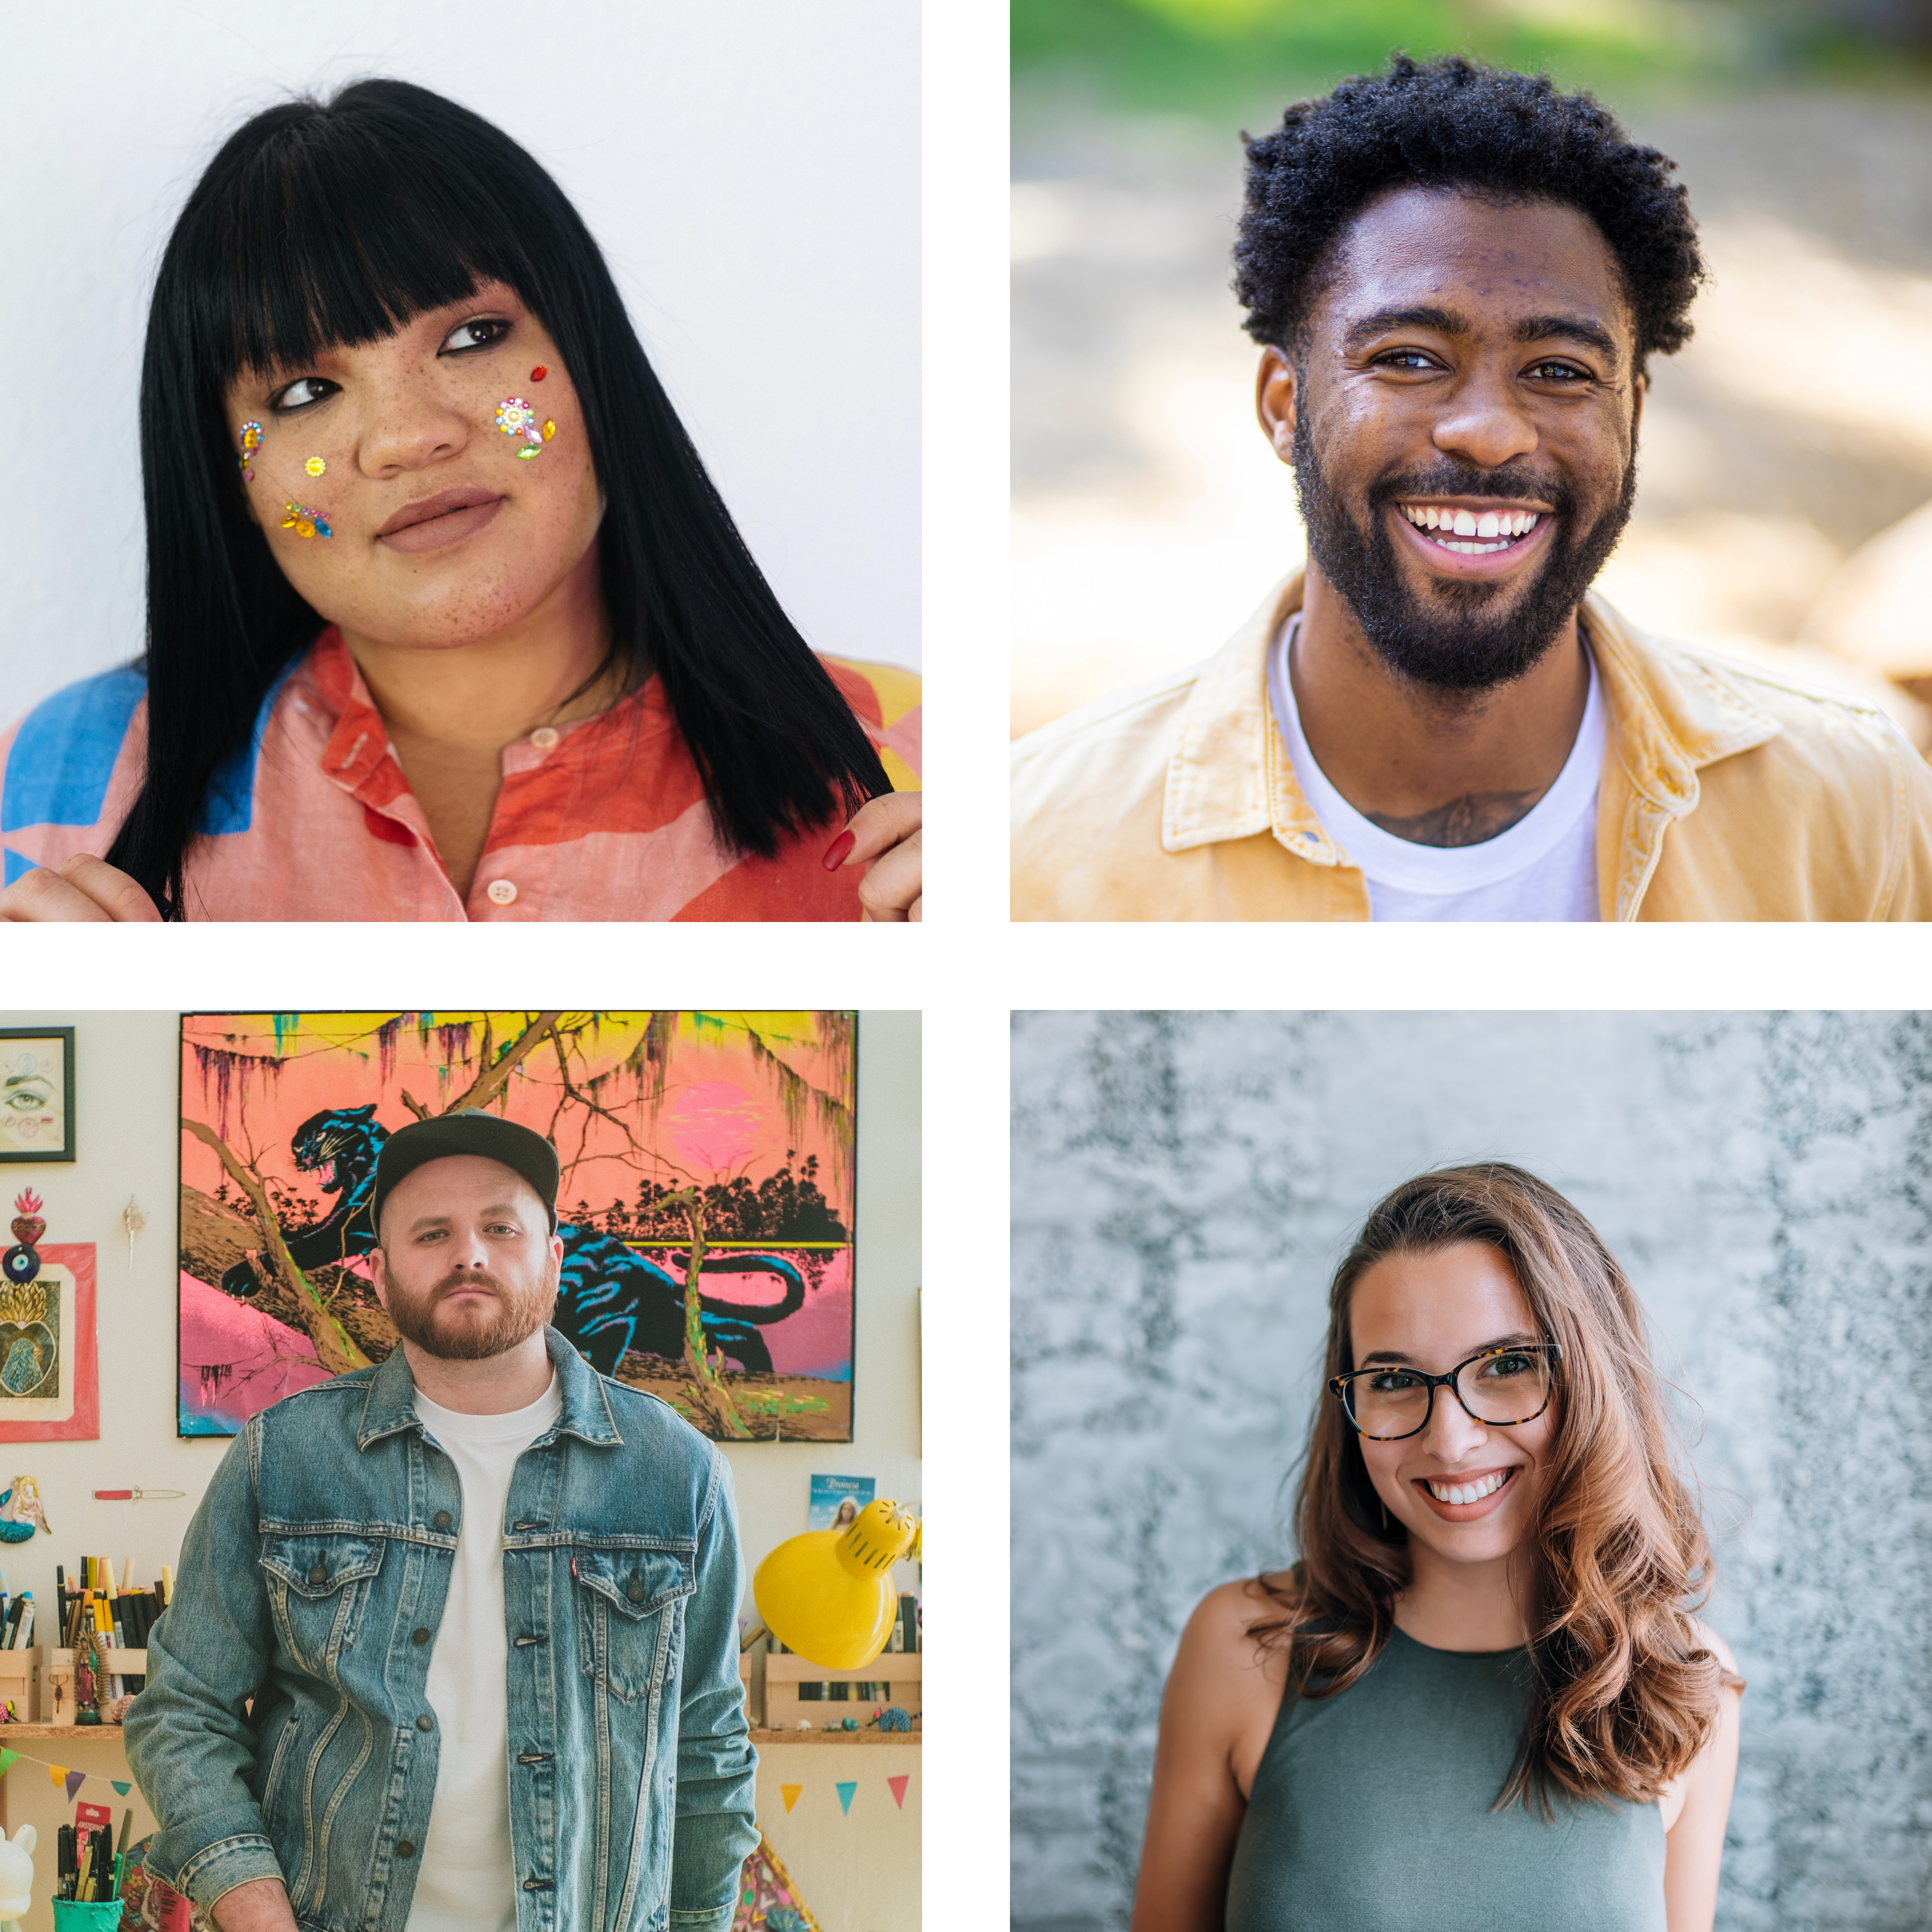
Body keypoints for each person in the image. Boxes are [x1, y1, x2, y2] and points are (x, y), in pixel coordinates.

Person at [1011, 55, 1932, 920]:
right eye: (1409, 359)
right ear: (1285, 405)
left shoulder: (1857, 809)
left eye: (1562, 370)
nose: (1490, 432)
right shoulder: (1033, 853)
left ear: (1634, 416)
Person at [0, 79, 921, 922]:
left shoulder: (921, 767)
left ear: (593, 364)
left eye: (474, 335)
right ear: (228, 475)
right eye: (304, 394)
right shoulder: (48, 789)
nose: (408, 436)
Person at [125, 1109, 758, 1932]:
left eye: (500, 1227)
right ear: (381, 1273)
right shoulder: (281, 1458)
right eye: (432, 1234)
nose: (469, 1253)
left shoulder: (679, 1473)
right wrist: (254, 1906)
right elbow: (182, 1709)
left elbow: (705, 1747)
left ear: (555, 1259)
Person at [1133, 1164, 1743, 1932]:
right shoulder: (1242, 1645)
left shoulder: (1687, 1683)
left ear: (1593, 1378)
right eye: (1393, 1379)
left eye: (1508, 1366)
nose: (1450, 1441)